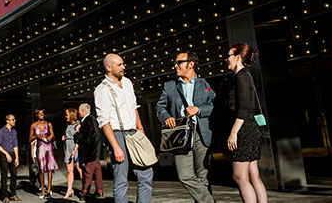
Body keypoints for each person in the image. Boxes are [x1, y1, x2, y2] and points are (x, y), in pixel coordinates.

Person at [156, 52, 216, 203]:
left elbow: (215, 106)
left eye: (178, 62)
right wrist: (166, 117)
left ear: (191, 64)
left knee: (203, 177)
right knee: (184, 175)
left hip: (202, 133)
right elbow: (160, 107)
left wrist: (199, 109)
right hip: (180, 135)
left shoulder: (206, 84)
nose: (175, 66)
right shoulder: (169, 86)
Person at [94, 53, 153, 203]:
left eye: (123, 64)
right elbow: (104, 121)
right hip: (117, 135)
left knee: (146, 173)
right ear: (108, 67)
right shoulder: (102, 90)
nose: (123, 67)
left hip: (134, 132)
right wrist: (115, 146)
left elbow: (134, 107)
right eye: (119, 65)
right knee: (121, 178)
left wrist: (141, 129)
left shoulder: (127, 82)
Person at [226, 43, 267, 203]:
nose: (226, 59)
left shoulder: (241, 76)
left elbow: (243, 108)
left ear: (237, 57)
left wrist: (233, 132)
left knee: (239, 177)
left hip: (244, 131)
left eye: (228, 55)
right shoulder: (246, 75)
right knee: (253, 175)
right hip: (251, 129)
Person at [74, 103, 104, 200]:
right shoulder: (91, 119)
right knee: (97, 171)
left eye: (79, 110)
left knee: (88, 171)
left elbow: (85, 137)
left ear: (83, 111)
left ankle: (84, 191)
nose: (78, 112)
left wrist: (77, 133)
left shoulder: (87, 121)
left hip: (91, 151)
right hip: (95, 150)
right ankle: (99, 191)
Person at [28, 108, 58, 199]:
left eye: (42, 113)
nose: (41, 114)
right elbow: (29, 139)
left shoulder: (48, 124)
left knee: (50, 169)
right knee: (41, 169)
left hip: (49, 147)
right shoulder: (33, 125)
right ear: (36, 115)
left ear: (44, 114)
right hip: (40, 149)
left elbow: (53, 135)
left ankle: (49, 190)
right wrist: (35, 136)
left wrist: (50, 136)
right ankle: (42, 190)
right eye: (39, 113)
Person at [0, 114, 21, 203]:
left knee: (14, 174)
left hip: (12, 154)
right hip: (3, 155)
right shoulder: (1, 132)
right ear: (7, 121)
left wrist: (17, 157)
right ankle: (5, 195)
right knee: (4, 174)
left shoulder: (14, 132)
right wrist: (6, 154)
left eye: (14, 119)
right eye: (13, 120)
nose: (14, 121)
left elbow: (15, 145)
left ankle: (13, 194)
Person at [61, 108, 83, 199]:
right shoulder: (68, 125)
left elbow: (79, 139)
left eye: (67, 115)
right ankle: (69, 190)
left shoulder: (77, 125)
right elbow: (68, 135)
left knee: (79, 168)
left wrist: (74, 150)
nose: (66, 116)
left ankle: (84, 188)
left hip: (75, 147)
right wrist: (65, 137)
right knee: (69, 170)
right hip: (68, 147)